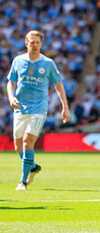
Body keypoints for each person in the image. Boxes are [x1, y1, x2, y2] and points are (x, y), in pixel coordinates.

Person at [7, 30, 70, 191]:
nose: (35, 45)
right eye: (32, 42)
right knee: (18, 147)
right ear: (26, 43)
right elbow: (11, 82)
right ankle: (33, 166)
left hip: (38, 109)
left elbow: (58, 84)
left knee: (28, 142)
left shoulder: (48, 63)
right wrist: (11, 97)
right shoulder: (18, 61)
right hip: (20, 108)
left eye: (37, 42)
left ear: (41, 44)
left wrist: (65, 107)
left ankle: (23, 182)